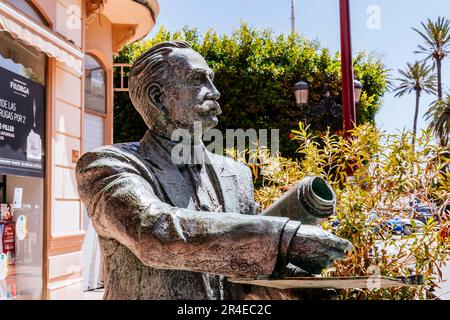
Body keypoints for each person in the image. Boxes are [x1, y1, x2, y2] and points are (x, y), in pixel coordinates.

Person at [75, 41, 352, 300]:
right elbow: (153, 232)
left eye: (211, 78)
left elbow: (240, 274)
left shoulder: (237, 175)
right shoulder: (107, 166)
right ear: (158, 97)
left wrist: (294, 284)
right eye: (198, 80)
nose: (215, 91)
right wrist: (284, 239)